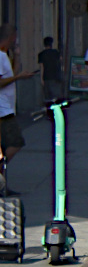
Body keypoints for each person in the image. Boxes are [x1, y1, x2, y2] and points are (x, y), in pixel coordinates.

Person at [0, 24, 37, 193]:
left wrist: (17, 58)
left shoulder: (4, 55)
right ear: (11, 37)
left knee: (6, 145)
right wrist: (19, 76)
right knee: (15, 142)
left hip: (6, 108)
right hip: (2, 109)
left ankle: (2, 184)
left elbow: (10, 77)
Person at [37, 37, 62, 103]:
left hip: (46, 77)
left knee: (47, 96)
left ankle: (49, 110)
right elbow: (60, 62)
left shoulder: (41, 54)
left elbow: (42, 67)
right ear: (51, 44)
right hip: (56, 76)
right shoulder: (56, 52)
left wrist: (41, 78)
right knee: (56, 95)